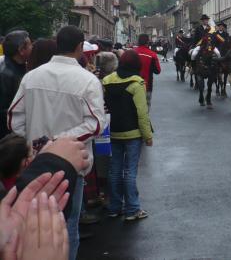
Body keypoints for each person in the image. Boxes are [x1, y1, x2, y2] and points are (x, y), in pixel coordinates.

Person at [8, 25, 106, 260]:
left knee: (36, 222)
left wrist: (37, 142)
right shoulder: (87, 80)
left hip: (35, 161)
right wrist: (58, 144)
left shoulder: (31, 76)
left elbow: (14, 118)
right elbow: (95, 124)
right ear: (80, 47)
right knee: (67, 227)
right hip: (72, 166)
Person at [102, 50, 152, 221]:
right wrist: (147, 135)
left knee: (114, 170)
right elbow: (142, 113)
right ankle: (132, 209)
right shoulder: (136, 83)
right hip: (132, 133)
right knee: (130, 171)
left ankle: (114, 207)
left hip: (113, 131)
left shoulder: (107, 81)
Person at [0, 30, 32, 139]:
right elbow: (4, 109)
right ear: (21, 50)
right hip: (7, 135)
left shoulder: (20, 67)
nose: (32, 47)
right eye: (30, 44)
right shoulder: (6, 74)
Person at [133, 34, 161, 109]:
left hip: (131, 85)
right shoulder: (152, 54)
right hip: (147, 86)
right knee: (145, 108)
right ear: (147, 42)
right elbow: (158, 71)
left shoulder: (132, 52)